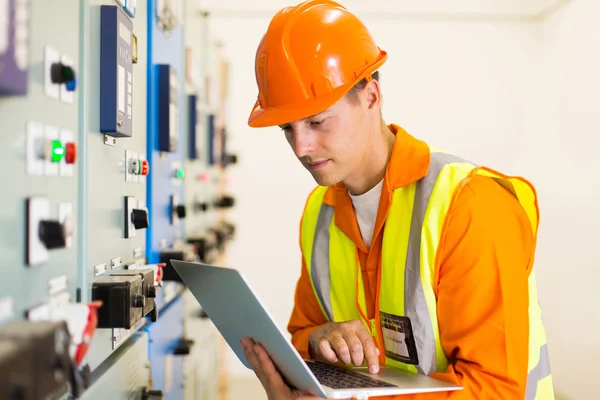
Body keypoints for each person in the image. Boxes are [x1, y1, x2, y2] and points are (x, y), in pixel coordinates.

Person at [243, 1, 554, 399]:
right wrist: (322, 340)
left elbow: (495, 390)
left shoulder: (470, 205)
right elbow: (303, 334)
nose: (301, 146)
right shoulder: (318, 212)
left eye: (318, 121)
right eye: (288, 128)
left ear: (370, 97)